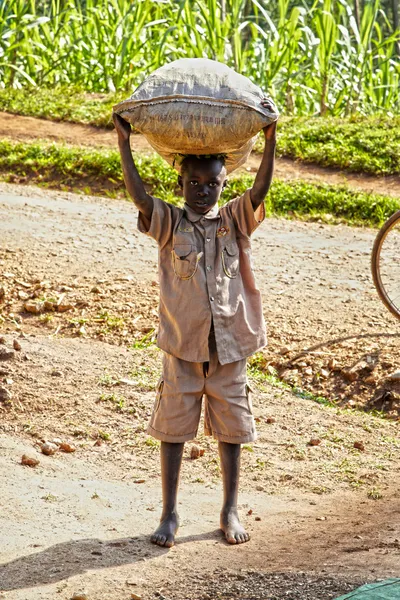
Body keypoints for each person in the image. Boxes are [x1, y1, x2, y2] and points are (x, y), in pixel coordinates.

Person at [113, 111, 277, 547]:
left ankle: (229, 508)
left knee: (232, 431)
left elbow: (260, 188)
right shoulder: (169, 222)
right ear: (179, 184)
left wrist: (270, 139)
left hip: (229, 348)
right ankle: (169, 513)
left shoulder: (236, 219)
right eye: (194, 183)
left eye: (212, 184)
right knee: (173, 431)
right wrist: (124, 143)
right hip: (183, 348)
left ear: (224, 185)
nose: (203, 191)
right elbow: (140, 198)